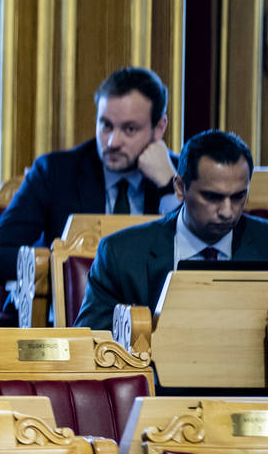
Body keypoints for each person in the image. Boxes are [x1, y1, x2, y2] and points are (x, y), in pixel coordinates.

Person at [0, 67, 179, 298]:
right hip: (68, 324)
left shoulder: (182, 174)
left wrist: (168, 184)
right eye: (106, 125)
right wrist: (57, 262)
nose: (113, 142)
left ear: (159, 127)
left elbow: (196, 261)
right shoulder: (55, 173)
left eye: (130, 129)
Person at [75, 129, 268, 330]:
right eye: (212, 197)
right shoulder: (120, 255)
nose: (227, 212)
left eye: (238, 197)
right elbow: (91, 344)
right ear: (179, 188)